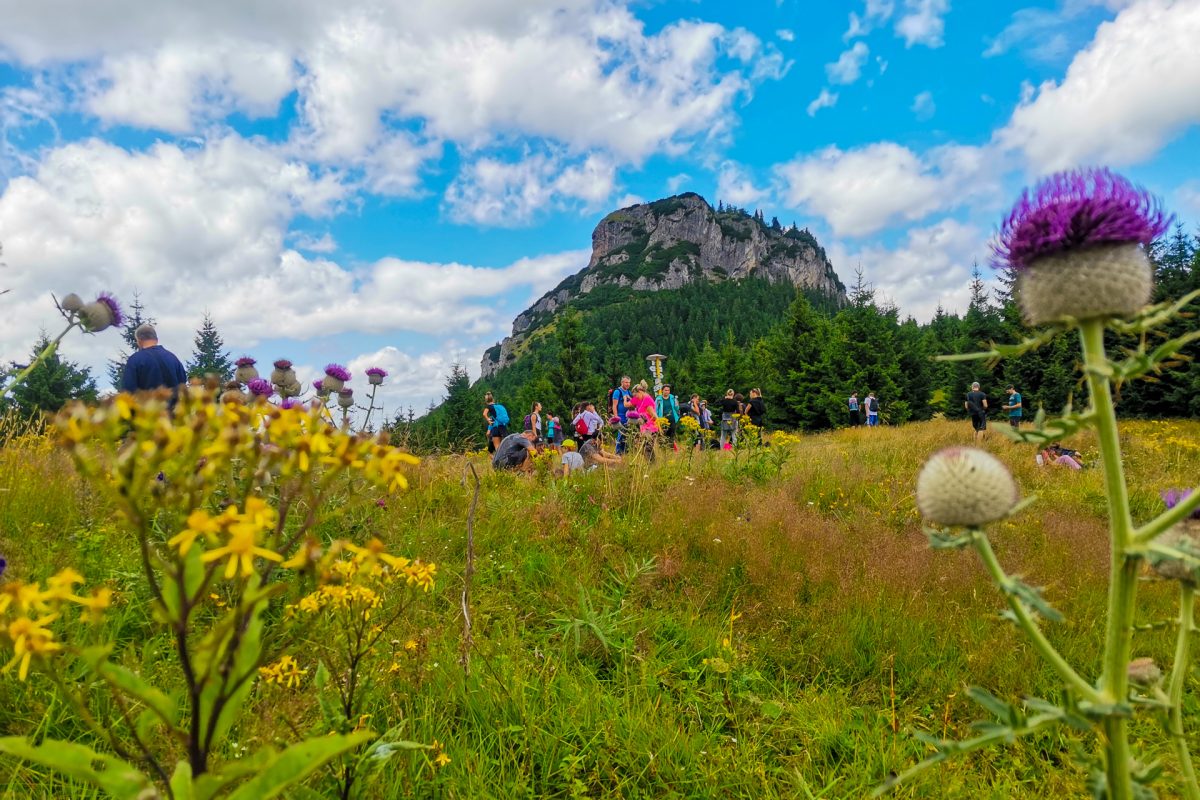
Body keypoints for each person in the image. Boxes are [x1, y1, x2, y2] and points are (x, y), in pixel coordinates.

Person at [120, 324, 188, 407]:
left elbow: (128, 392)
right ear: (156, 339)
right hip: (174, 415)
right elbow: (182, 386)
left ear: (139, 341)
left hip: (148, 415)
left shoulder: (135, 360)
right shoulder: (173, 358)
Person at [610, 376, 632, 454]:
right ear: (622, 382)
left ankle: (625, 451)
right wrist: (616, 416)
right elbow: (614, 405)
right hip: (620, 416)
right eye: (626, 382)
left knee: (626, 434)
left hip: (628, 417)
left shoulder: (629, 392)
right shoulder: (618, 391)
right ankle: (618, 452)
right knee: (621, 434)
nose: (628, 384)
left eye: (629, 382)